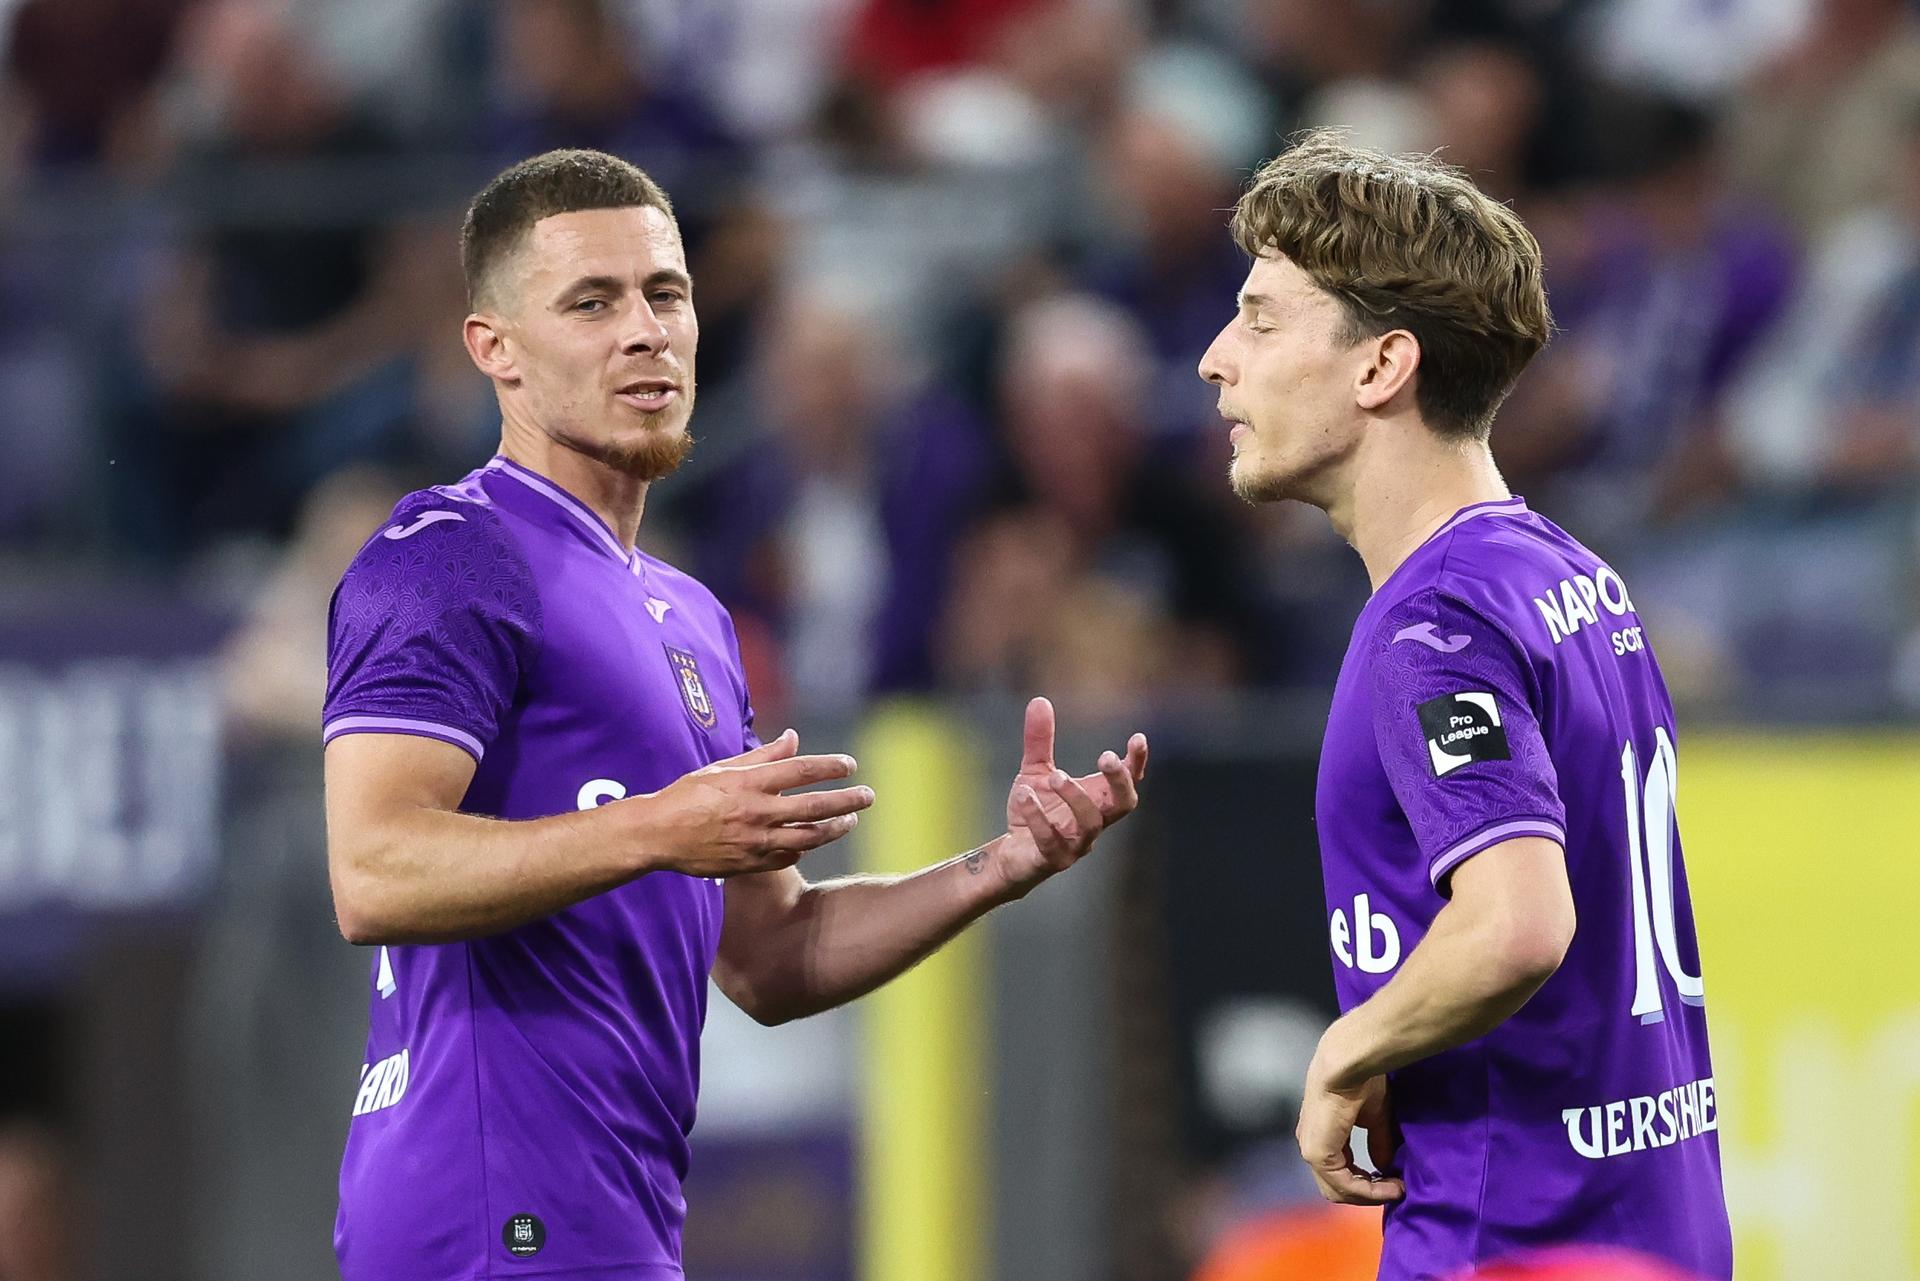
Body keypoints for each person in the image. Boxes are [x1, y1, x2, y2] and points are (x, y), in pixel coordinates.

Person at [320, 148, 1148, 1281]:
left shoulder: (693, 614)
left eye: (666, 293)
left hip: (619, 1222)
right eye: (591, 302)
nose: (644, 330)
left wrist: (996, 866)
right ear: (493, 349)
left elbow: (771, 955)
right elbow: (372, 871)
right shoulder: (451, 553)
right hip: (485, 1216)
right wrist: (663, 828)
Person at [1196, 131, 1731, 1280]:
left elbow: (1518, 922)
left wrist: (1349, 1049)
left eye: (1261, 318)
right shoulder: (1567, 576)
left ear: (1382, 366)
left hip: (1512, 1239)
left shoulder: (1432, 627)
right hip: (1659, 1230)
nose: (1215, 358)